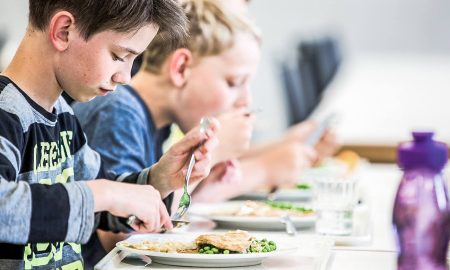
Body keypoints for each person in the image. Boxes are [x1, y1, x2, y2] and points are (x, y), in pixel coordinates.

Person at [73, 0, 337, 257]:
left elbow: (168, 210)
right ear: (181, 68)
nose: (246, 101)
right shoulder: (117, 111)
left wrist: (208, 174)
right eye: (234, 82)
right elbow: (122, 238)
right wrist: (258, 168)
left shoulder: (155, 120)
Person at [0, 0, 219, 268]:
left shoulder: (62, 115)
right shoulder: (6, 113)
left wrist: (158, 179)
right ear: (63, 31)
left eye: (133, 60)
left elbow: (101, 205)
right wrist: (105, 193)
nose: (125, 76)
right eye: (119, 56)